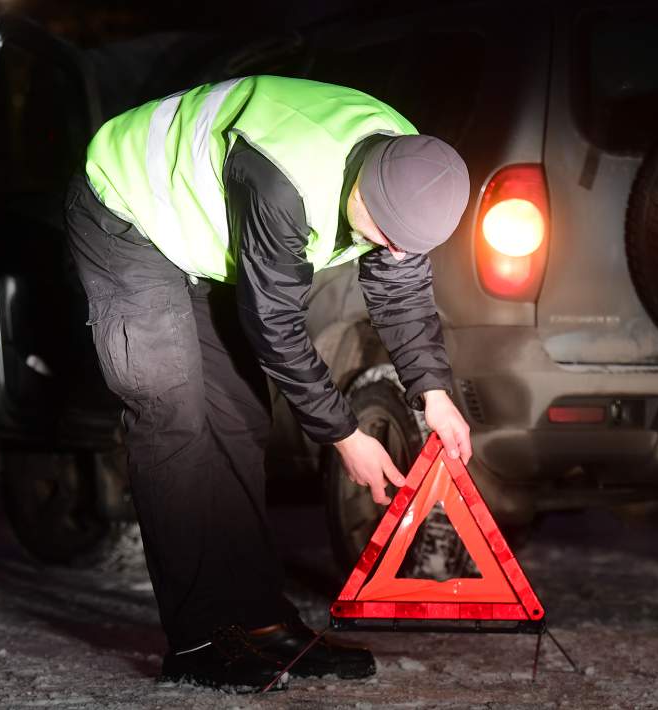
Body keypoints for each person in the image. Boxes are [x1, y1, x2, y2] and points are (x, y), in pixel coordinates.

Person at [65, 75, 473, 692]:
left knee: (240, 416)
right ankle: (200, 638)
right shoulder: (287, 179)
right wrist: (343, 436)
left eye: (403, 245)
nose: (390, 249)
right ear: (366, 186)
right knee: (173, 417)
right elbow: (275, 324)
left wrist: (435, 394)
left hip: (198, 231)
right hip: (125, 211)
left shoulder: (414, 175)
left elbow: (401, 288)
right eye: (384, 235)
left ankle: (258, 621)